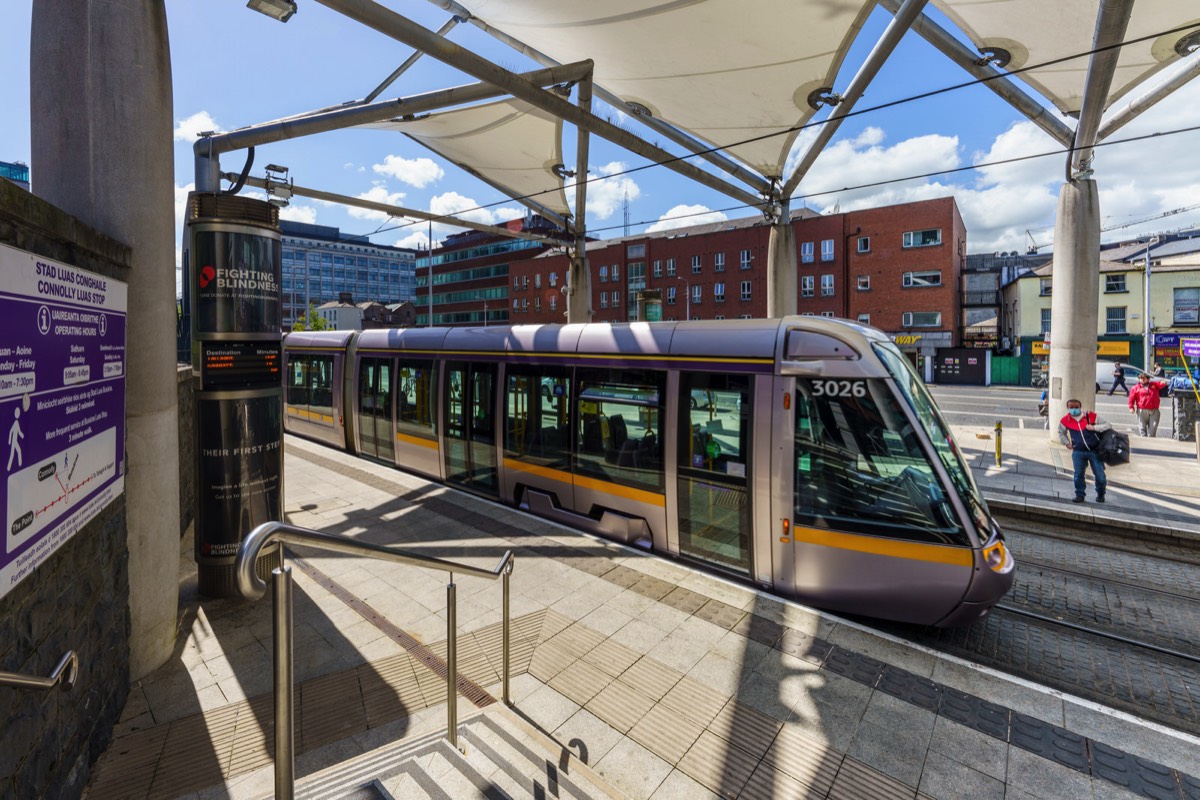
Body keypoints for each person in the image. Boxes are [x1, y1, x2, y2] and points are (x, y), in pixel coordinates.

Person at [1058, 399, 1111, 503]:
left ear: (1080, 407)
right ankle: (1079, 494)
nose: (1074, 409)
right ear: (1067, 408)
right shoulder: (1065, 420)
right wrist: (1066, 443)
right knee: (1078, 474)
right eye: (1071, 407)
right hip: (1078, 451)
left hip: (1094, 451)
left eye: (1076, 407)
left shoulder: (1090, 416)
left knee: (1100, 475)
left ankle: (1101, 493)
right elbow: (1061, 432)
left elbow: (1108, 425)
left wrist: (1094, 427)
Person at [1128, 372, 1168, 436]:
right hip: (1141, 410)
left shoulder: (1154, 385)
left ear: (1148, 379)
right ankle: (1143, 443)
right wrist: (1131, 407)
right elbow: (1131, 398)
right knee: (1142, 429)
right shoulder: (1135, 388)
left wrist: (1163, 382)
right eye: (1140, 378)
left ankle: (1151, 442)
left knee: (1152, 430)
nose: (1142, 379)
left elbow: (1162, 384)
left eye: (1144, 378)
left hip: (1154, 410)